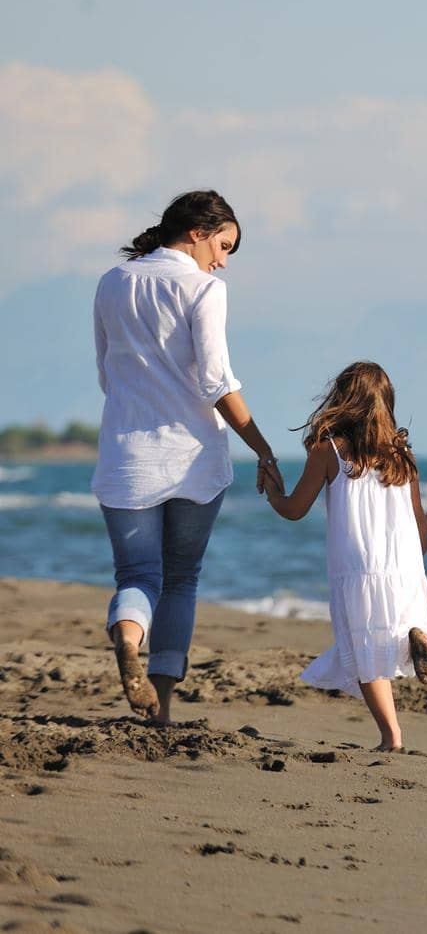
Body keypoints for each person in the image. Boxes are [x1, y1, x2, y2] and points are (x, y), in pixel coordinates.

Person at [93, 190, 285, 724]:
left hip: (126, 454)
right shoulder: (204, 288)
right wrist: (263, 449)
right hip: (192, 458)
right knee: (180, 579)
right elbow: (215, 382)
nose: (223, 260)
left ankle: (130, 640)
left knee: (136, 575)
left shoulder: (113, 283)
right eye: (224, 245)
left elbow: (107, 373)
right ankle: (161, 712)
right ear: (198, 232)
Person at [264, 361, 427, 751]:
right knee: (397, 630)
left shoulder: (330, 450)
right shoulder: (402, 454)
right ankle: (419, 634)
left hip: (358, 565)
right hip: (405, 562)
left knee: (365, 653)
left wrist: (273, 491)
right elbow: (418, 529)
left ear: (342, 401)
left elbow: (295, 509)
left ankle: (391, 736)